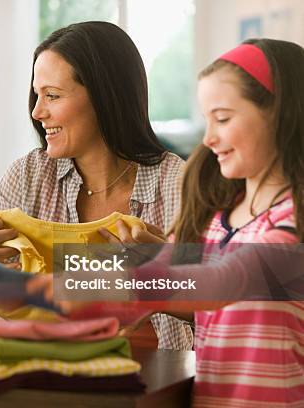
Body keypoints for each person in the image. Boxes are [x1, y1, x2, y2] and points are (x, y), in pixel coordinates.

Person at [28, 38, 304, 407]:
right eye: (207, 120)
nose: (208, 138)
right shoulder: (222, 217)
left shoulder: (292, 225)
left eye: (222, 118)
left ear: (280, 114)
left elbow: (219, 281)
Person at [0, 21, 186, 349]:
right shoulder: (26, 178)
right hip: (44, 384)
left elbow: (234, 312)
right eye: (37, 94)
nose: (37, 111)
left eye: (53, 96)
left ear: (105, 96)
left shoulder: (180, 186)